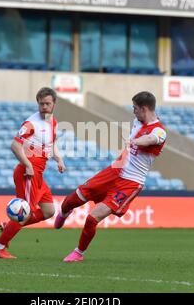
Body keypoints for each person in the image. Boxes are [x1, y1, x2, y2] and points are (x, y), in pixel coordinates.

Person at [54, 91, 167, 262]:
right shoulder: (138, 121)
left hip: (130, 182)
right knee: (70, 201)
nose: (133, 112)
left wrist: (135, 141)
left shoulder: (159, 131)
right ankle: (64, 212)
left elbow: (152, 139)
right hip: (114, 171)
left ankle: (78, 253)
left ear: (144, 109)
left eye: (135, 108)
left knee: (92, 218)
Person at [0, 87, 66, 259]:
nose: (44, 107)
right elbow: (14, 146)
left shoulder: (52, 122)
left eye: (47, 103)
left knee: (48, 211)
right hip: (28, 173)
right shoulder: (31, 124)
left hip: (39, 173)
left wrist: (59, 159)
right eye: (41, 104)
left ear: (54, 104)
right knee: (26, 212)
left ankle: (10, 225)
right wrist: (27, 164)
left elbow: (51, 145)